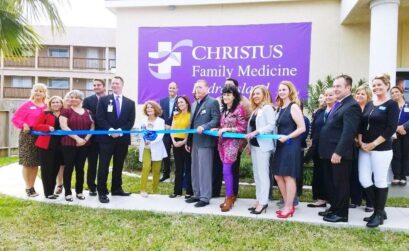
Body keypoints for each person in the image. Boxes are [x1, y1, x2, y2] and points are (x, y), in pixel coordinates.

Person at [318, 75, 361, 223]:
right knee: (331, 183)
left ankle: (342, 214)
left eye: (339, 86)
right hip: (328, 152)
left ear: (348, 88)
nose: (335, 89)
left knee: (340, 184)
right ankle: (335, 208)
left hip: (339, 153)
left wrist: (338, 152)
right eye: (334, 86)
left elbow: (348, 132)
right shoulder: (340, 104)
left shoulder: (352, 106)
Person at [358, 74, 399, 228]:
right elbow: (362, 124)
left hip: (381, 149)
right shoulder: (370, 104)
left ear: (387, 86)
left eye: (379, 85)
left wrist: (373, 144)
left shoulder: (391, 105)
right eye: (374, 85)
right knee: (364, 179)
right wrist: (361, 141)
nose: (376, 88)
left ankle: (378, 214)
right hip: (365, 148)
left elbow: (391, 128)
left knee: (380, 180)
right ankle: (379, 210)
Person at [96, 76, 136, 203]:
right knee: (103, 166)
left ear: (122, 85)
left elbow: (131, 121)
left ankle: (116, 188)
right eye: (113, 83)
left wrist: (119, 131)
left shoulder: (130, 103)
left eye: (117, 83)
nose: (114, 85)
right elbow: (99, 118)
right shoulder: (103, 100)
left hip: (122, 139)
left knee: (118, 166)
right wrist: (110, 130)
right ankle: (102, 192)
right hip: (106, 139)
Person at [272, 81, 306, 218]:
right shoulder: (280, 107)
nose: (281, 92)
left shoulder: (293, 107)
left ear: (290, 91)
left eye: (284, 89)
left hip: (291, 145)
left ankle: (288, 206)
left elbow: (302, 128)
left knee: (288, 175)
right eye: (279, 89)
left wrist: (287, 137)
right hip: (280, 146)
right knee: (277, 175)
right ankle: (288, 203)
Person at [185, 79, 220, 207]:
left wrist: (205, 127)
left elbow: (216, 119)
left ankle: (205, 197)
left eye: (200, 87)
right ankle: (196, 194)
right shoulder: (194, 104)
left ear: (207, 89)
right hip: (194, 141)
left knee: (204, 170)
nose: (197, 90)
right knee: (195, 169)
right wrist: (188, 141)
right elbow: (191, 124)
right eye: (196, 87)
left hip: (206, 142)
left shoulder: (213, 102)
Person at [11, 83, 48, 197]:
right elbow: (15, 118)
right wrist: (23, 124)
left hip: (42, 136)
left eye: (40, 91)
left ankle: (33, 186)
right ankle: (28, 187)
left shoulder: (46, 107)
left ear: (44, 94)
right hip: (28, 136)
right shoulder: (26, 105)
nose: (38, 93)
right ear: (32, 92)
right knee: (28, 162)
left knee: (36, 162)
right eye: (36, 90)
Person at [215, 85, 247, 212]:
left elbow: (242, 128)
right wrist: (217, 129)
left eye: (228, 94)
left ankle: (229, 198)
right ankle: (230, 195)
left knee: (226, 170)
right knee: (226, 171)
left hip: (232, 144)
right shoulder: (224, 110)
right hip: (222, 143)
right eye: (224, 94)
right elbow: (222, 126)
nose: (226, 97)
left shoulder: (239, 109)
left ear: (234, 96)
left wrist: (227, 129)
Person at [245, 85, 276, 214]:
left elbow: (271, 125)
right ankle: (259, 199)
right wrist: (248, 144)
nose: (255, 96)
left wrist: (258, 132)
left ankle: (263, 202)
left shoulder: (268, 108)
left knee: (263, 175)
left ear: (264, 94)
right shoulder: (256, 109)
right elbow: (250, 129)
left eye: (258, 93)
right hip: (254, 146)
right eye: (254, 94)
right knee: (257, 175)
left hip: (263, 147)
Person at [59, 90, 94, 202]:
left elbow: (92, 127)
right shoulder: (65, 111)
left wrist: (85, 139)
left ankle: (79, 191)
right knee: (69, 168)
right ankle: (68, 192)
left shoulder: (88, 112)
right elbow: (64, 127)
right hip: (69, 144)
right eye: (71, 97)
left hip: (84, 144)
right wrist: (77, 138)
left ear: (81, 99)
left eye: (76, 97)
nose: (73, 99)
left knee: (80, 169)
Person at [307, 88, 335, 208]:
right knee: (319, 173)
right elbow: (313, 129)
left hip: (332, 148)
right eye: (326, 95)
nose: (328, 97)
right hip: (318, 147)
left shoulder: (338, 110)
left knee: (332, 175)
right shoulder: (320, 112)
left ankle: (333, 200)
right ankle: (321, 198)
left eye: (331, 95)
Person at [33, 96, 64, 199]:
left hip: (60, 146)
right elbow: (36, 126)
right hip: (46, 146)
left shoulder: (65, 114)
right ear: (50, 105)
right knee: (47, 170)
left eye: (58, 102)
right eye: (53, 102)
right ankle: (48, 193)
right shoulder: (45, 114)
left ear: (61, 104)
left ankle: (52, 190)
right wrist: (47, 127)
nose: (56, 104)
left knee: (55, 169)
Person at [351, 85, 373, 211]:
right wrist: (355, 139)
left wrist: (362, 141)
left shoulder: (371, 108)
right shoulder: (353, 107)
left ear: (368, 96)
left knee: (369, 174)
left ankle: (370, 202)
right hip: (354, 145)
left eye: (362, 94)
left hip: (368, 146)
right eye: (358, 93)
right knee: (354, 173)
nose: (359, 96)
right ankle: (355, 200)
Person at [139, 101, 168, 197]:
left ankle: (155, 190)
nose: (149, 109)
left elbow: (160, 135)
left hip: (157, 147)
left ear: (155, 109)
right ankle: (143, 190)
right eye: (147, 107)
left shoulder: (161, 121)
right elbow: (141, 132)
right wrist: (144, 139)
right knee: (146, 167)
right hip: (145, 147)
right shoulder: (143, 120)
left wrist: (151, 142)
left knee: (157, 169)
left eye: (151, 107)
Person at [82, 79, 106, 196]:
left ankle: (103, 186)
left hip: (106, 137)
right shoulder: (88, 100)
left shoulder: (109, 99)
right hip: (92, 138)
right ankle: (92, 186)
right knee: (92, 163)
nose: (96, 87)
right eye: (94, 85)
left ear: (104, 87)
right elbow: (86, 117)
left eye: (99, 85)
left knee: (104, 163)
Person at [169, 96, 193, 198]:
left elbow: (190, 131)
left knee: (188, 168)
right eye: (178, 103)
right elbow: (171, 129)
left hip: (186, 143)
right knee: (178, 168)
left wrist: (184, 142)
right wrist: (174, 141)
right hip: (175, 142)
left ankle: (189, 191)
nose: (180, 104)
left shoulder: (190, 115)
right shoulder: (176, 115)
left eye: (182, 102)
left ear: (187, 103)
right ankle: (177, 191)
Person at [54, 91, 73, 195]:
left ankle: (67, 185)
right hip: (58, 142)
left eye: (72, 99)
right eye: (67, 99)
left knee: (67, 165)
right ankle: (59, 184)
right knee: (60, 164)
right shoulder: (59, 110)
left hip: (71, 141)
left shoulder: (74, 111)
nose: (69, 101)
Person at [159, 82, 178, 182]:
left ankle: (177, 175)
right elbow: (159, 116)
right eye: (170, 88)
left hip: (176, 132)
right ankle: (166, 173)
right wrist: (164, 125)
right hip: (165, 132)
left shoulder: (181, 101)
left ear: (177, 89)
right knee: (165, 153)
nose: (171, 90)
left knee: (177, 154)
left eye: (173, 88)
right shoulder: (162, 101)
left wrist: (172, 126)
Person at [391, 86, 409, 186]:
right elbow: (387, 120)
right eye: (392, 93)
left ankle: (403, 176)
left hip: (407, 133)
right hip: (395, 134)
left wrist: (403, 127)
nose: (394, 94)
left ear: (402, 93)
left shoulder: (408, 105)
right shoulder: (391, 106)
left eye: (396, 92)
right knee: (396, 154)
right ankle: (396, 176)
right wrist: (397, 128)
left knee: (406, 154)